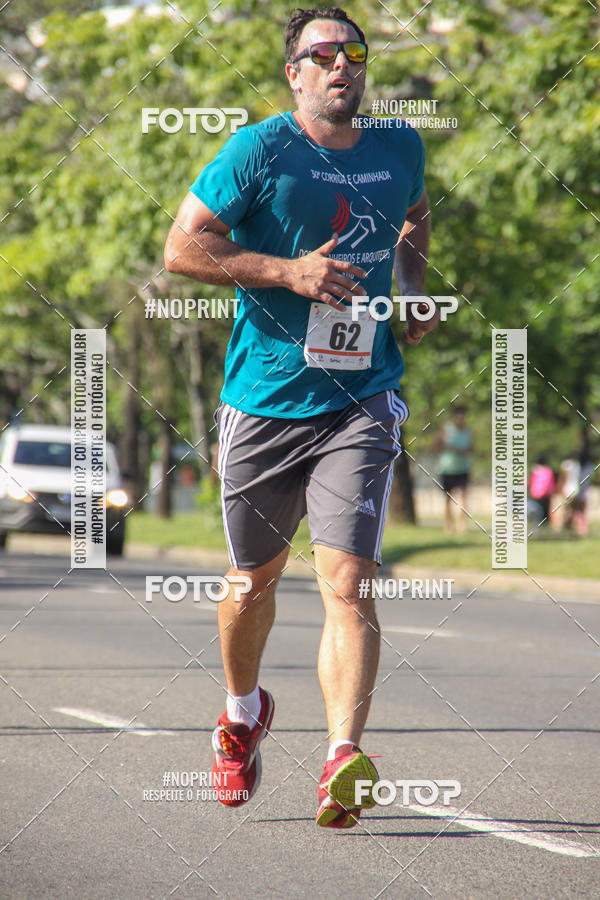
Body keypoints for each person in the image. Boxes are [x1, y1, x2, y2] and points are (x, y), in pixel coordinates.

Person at [164, 6, 438, 829]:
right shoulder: (258, 151)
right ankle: (242, 713)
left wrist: (413, 284)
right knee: (251, 586)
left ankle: (340, 759)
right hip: (265, 402)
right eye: (322, 55)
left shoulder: (398, 147)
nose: (340, 66)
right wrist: (285, 270)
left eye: (352, 52)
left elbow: (417, 214)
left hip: (361, 397)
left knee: (349, 581)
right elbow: (182, 248)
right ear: (295, 73)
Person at [435, 405, 473, 532]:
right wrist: (443, 442)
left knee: (463, 497)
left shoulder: (468, 431)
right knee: (448, 498)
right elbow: (436, 446)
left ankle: (461, 525)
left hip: (463, 468)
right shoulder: (446, 429)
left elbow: (472, 449)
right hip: (447, 468)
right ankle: (447, 524)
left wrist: (463, 451)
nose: (460, 417)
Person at [529, 454, 555, 527]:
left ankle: (541, 526)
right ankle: (543, 526)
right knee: (544, 513)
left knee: (539, 513)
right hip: (544, 495)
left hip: (538, 495)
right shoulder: (547, 471)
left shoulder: (536, 471)